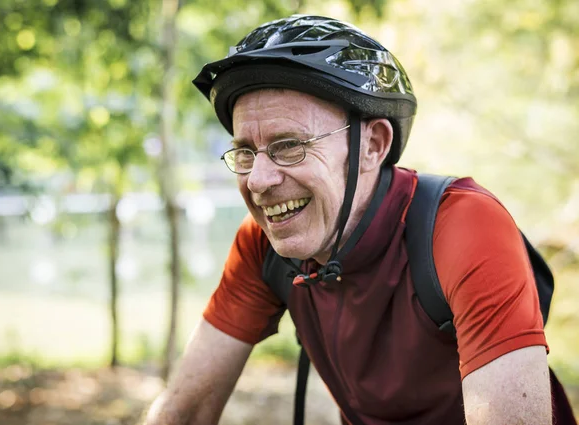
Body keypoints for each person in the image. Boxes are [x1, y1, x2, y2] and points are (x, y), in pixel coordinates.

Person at [145, 15, 574, 425]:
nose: (258, 180)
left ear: (373, 145)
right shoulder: (263, 244)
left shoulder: (462, 226)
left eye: (289, 145)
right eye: (244, 152)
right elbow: (184, 411)